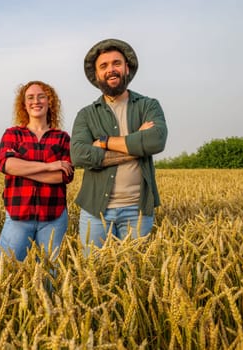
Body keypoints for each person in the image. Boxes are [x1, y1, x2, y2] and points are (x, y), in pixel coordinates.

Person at [70, 38, 167, 254]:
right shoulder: (86, 114)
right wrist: (137, 146)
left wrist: (104, 142)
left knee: (136, 276)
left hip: (138, 210)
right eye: (103, 66)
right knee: (91, 270)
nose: (110, 70)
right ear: (96, 75)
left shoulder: (148, 105)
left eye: (116, 63)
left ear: (127, 68)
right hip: (95, 210)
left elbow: (156, 140)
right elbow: (78, 155)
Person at [0, 80, 74, 261]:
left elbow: (63, 175)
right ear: (24, 105)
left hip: (54, 218)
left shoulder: (62, 138)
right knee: (3, 272)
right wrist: (49, 166)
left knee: (48, 278)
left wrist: (22, 167)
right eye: (30, 97)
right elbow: (7, 165)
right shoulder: (13, 134)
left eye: (41, 96)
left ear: (49, 101)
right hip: (18, 216)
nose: (36, 101)